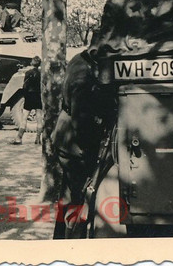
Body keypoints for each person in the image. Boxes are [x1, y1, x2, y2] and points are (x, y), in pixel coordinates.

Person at [51, 49, 117, 238]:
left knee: (67, 195)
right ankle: (73, 245)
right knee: (79, 199)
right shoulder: (84, 76)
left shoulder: (79, 59)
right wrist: (90, 151)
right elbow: (82, 119)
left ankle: (59, 240)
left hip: (65, 136)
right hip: (75, 142)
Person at [11, 56, 43, 145]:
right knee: (39, 118)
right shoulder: (41, 73)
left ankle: (19, 138)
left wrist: (25, 95)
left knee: (24, 118)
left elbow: (25, 86)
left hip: (29, 95)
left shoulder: (28, 72)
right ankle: (38, 139)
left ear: (32, 63)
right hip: (38, 95)